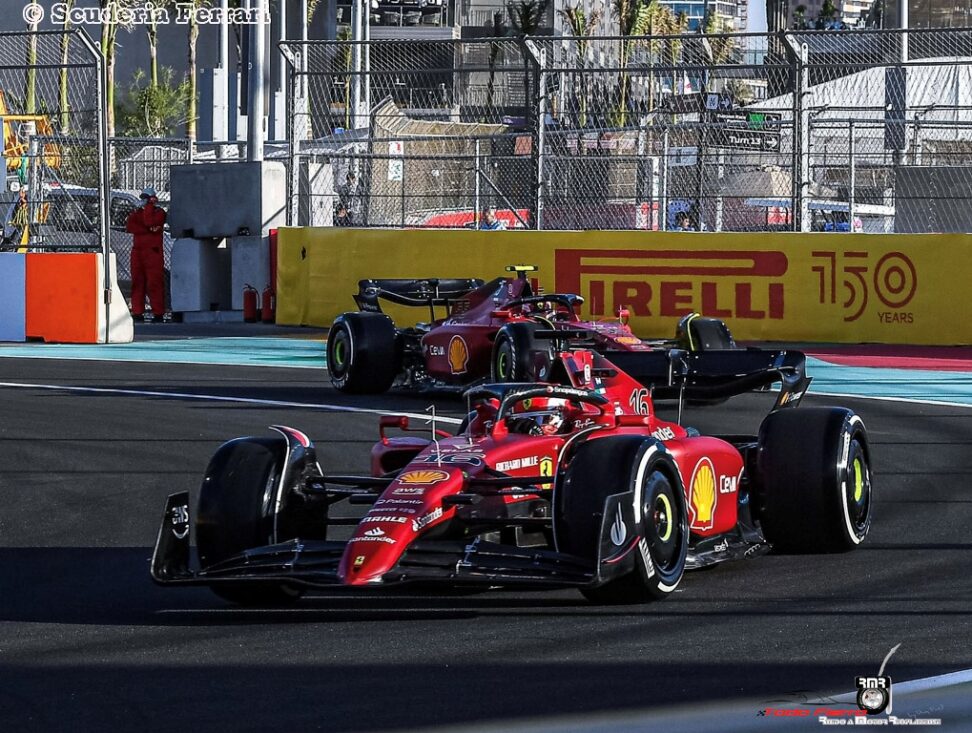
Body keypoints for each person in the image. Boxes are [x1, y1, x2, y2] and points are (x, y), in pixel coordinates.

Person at [126, 187, 168, 323]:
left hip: (152, 251)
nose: (144, 201)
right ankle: (138, 312)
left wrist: (149, 208)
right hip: (138, 251)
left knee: (154, 283)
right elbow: (131, 227)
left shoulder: (159, 212)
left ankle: (158, 312)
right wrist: (148, 229)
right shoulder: (137, 213)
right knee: (137, 282)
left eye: (147, 198)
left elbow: (150, 223)